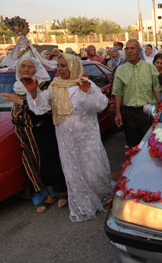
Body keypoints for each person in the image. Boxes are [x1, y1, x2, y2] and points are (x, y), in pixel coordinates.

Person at [24, 53, 112, 221]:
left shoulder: (86, 84)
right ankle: (83, 205)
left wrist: (87, 93)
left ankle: (102, 196)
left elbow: (100, 105)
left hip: (87, 137)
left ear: (73, 66)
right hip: (66, 139)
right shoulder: (55, 86)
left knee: (92, 168)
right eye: (59, 66)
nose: (60, 69)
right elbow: (41, 108)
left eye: (64, 65)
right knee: (73, 171)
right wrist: (34, 92)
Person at [1, 56, 67, 213]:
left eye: (29, 66)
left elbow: (45, 111)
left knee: (49, 162)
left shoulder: (44, 85)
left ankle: (60, 192)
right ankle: (42, 195)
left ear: (36, 69)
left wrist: (21, 102)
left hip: (42, 130)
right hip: (23, 132)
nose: (25, 69)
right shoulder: (16, 85)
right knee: (31, 164)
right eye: (22, 66)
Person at [113, 39, 162, 147]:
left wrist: (161, 108)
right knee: (133, 144)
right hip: (130, 111)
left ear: (139, 50)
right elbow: (118, 93)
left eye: (132, 48)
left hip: (148, 108)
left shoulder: (150, 68)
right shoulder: (120, 70)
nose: (129, 51)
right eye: (127, 48)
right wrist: (117, 113)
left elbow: (157, 89)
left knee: (151, 143)